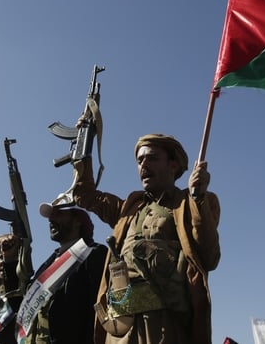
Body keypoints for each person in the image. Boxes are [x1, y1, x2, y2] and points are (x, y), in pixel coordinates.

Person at [72, 133, 221, 344]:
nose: (143, 165)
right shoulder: (128, 209)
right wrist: (84, 144)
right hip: (120, 328)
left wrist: (198, 198)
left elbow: (209, 256)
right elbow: (85, 195)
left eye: (152, 158)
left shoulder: (191, 203)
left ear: (173, 165)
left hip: (162, 327)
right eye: (140, 160)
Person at [27, 204, 108, 343]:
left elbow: (99, 312)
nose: (51, 220)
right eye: (50, 216)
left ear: (78, 221)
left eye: (58, 214)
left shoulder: (94, 254)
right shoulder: (47, 264)